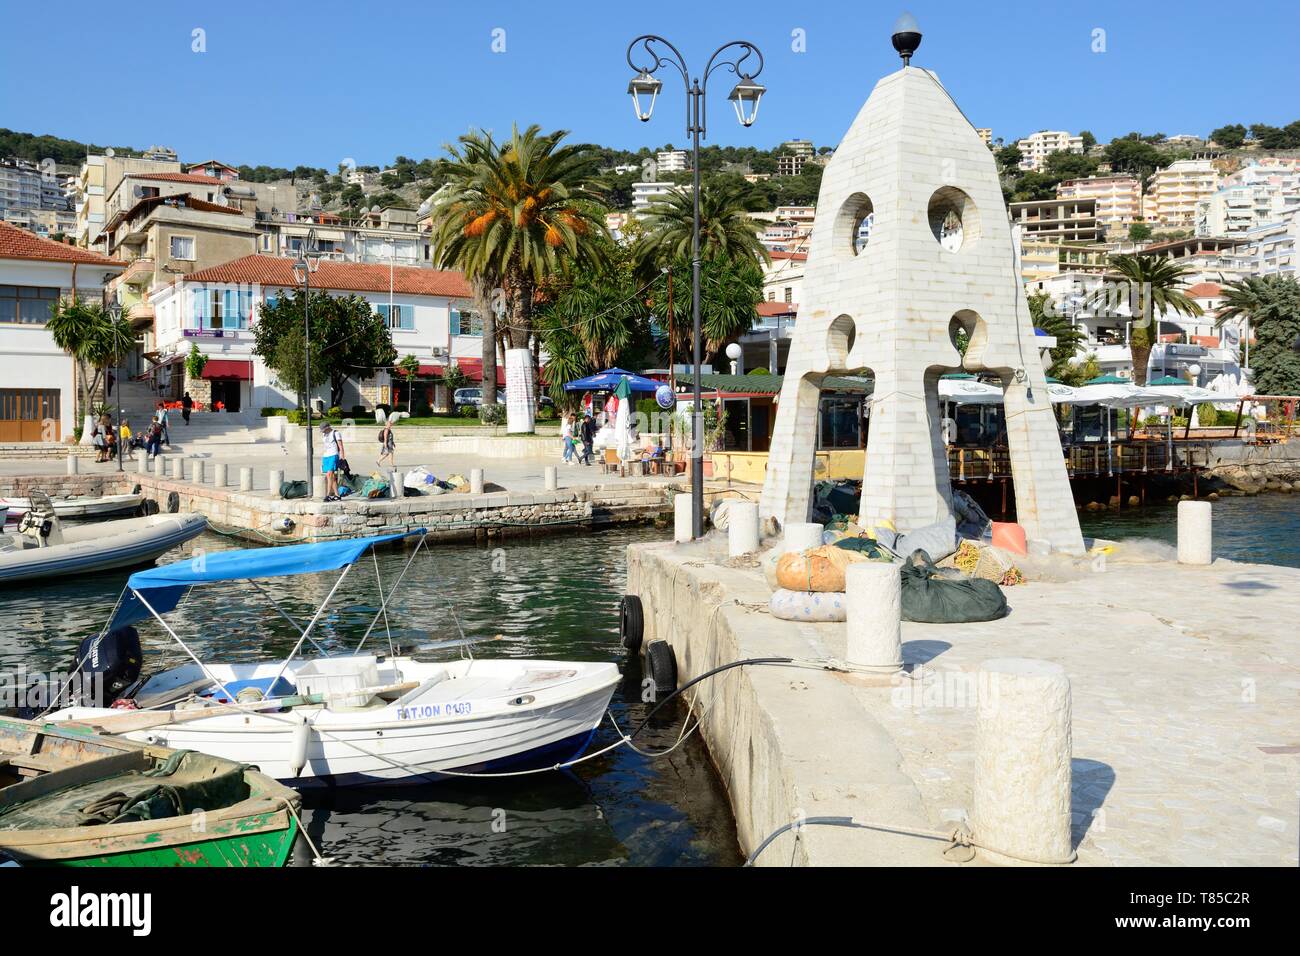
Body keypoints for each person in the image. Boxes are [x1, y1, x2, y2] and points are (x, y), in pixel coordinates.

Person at [320, 422, 345, 501]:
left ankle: (328, 495)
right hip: (326, 456)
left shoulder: (336, 433)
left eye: (323, 430)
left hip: (333, 455)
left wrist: (342, 456)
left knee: (329, 474)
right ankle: (337, 495)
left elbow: (340, 446)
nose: (322, 431)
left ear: (327, 427)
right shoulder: (324, 434)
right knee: (332, 477)